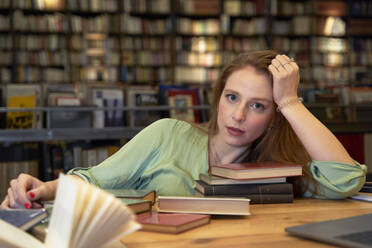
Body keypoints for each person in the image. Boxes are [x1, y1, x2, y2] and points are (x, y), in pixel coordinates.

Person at [1, 50, 366, 209]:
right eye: (232, 97)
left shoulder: (279, 168)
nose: (237, 115)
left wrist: (290, 102)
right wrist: (43, 189)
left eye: (258, 105)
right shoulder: (169, 135)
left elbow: (345, 178)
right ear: (218, 97)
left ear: (273, 117)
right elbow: (95, 179)